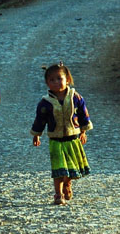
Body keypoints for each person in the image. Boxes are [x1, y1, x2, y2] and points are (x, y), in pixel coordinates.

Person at [31, 61, 92, 205]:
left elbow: (84, 115)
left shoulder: (75, 98)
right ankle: (58, 194)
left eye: (59, 78)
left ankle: (67, 183)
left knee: (71, 168)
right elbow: (40, 120)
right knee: (58, 168)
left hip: (73, 138)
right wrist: (36, 134)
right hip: (56, 141)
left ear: (67, 80)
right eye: (52, 80)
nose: (56, 82)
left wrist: (83, 131)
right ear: (47, 83)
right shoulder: (45, 103)